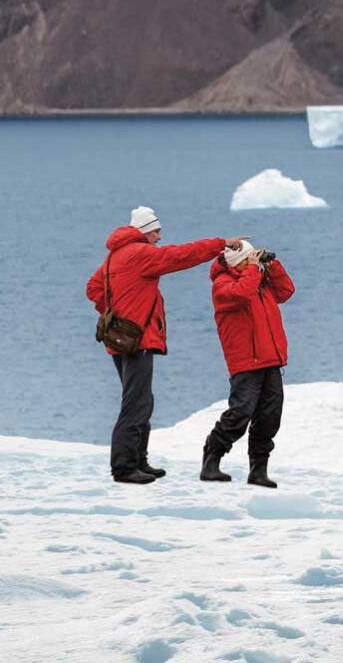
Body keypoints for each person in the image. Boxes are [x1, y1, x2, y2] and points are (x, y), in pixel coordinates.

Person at [87, 206, 246, 484]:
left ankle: (139, 460)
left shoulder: (114, 256)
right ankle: (124, 468)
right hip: (137, 339)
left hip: (120, 337)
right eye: (156, 231)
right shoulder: (140, 253)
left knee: (141, 399)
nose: (159, 236)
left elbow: (93, 288)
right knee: (135, 404)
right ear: (143, 230)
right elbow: (180, 256)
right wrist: (220, 244)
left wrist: (116, 313)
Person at [200, 240, 294, 487]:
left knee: (269, 417)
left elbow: (285, 291)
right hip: (246, 361)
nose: (251, 262)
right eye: (246, 258)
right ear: (234, 262)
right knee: (240, 413)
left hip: (270, 359)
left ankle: (258, 470)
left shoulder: (258, 281)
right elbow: (242, 292)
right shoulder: (223, 286)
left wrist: (271, 265)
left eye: (252, 257)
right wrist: (254, 269)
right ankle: (211, 460)